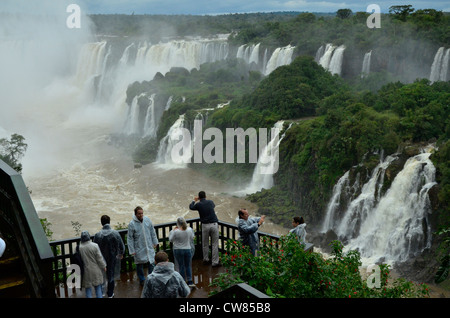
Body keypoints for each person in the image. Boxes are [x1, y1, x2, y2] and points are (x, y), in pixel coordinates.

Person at [93, 215, 125, 298]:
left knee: (101, 275)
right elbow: (121, 245)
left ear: (101, 222)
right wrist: (121, 254)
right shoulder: (115, 233)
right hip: (112, 258)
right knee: (111, 276)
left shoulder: (97, 235)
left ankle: (101, 293)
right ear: (109, 222)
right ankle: (110, 294)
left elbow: (94, 248)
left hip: (101, 259)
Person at [128, 206, 159, 286]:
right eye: (139, 214)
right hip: (139, 247)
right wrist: (132, 250)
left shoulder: (147, 220)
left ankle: (151, 278)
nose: (141, 215)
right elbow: (130, 238)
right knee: (139, 264)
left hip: (148, 245)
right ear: (135, 214)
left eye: (142, 213)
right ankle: (142, 279)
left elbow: (152, 231)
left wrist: (155, 242)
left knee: (151, 263)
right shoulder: (132, 224)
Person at [189, 191, 220, 267]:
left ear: (199, 197)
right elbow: (213, 206)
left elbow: (191, 207)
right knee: (215, 244)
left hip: (205, 225)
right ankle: (215, 262)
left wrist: (194, 200)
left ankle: (206, 259)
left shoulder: (198, 204)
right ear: (205, 196)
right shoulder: (210, 202)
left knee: (205, 244)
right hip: (213, 224)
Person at [78, 231, 106, 298]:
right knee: (98, 288)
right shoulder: (95, 246)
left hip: (85, 271)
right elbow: (99, 258)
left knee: (88, 290)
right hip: (96, 270)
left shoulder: (79, 248)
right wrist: (104, 266)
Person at [169, 217, 195, 287]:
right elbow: (192, 237)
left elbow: (171, 240)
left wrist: (172, 231)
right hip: (187, 249)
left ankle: (183, 281)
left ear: (177, 224)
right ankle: (190, 281)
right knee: (188, 266)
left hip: (178, 249)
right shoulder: (189, 229)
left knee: (181, 266)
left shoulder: (175, 231)